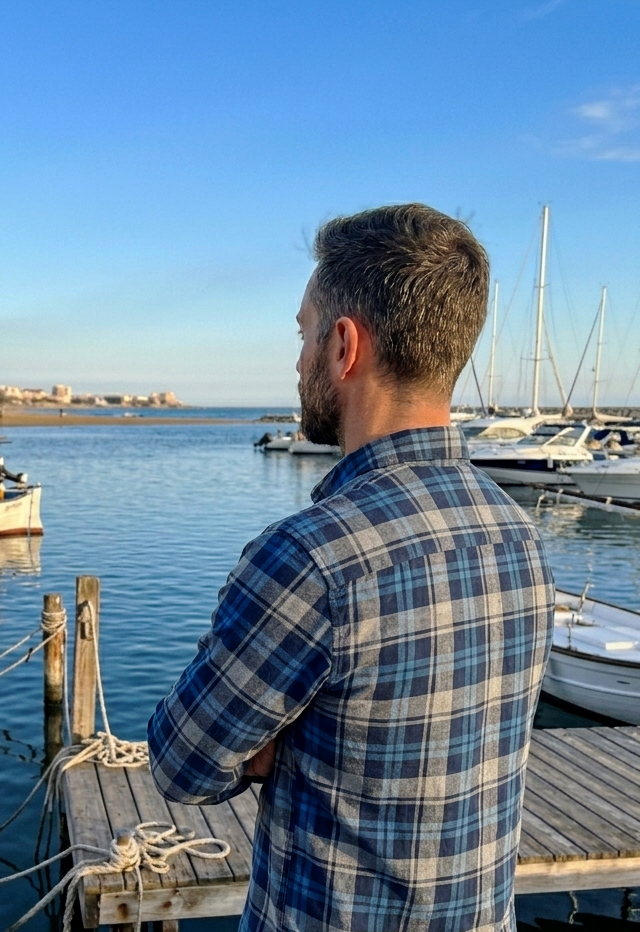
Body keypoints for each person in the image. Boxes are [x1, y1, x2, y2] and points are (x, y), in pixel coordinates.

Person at [148, 204, 554, 932]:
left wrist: (274, 745)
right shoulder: (518, 536)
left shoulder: (311, 559)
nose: (297, 360)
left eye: (303, 334)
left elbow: (182, 763)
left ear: (343, 346)